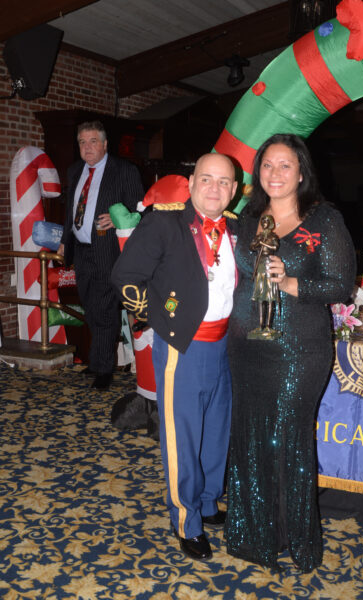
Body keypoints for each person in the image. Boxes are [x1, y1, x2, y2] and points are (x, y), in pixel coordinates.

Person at [225, 133, 356, 572]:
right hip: (245, 346)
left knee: (285, 437)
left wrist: (291, 283)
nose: (274, 174)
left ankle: (293, 538)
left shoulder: (323, 220)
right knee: (250, 437)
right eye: (267, 165)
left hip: (299, 348)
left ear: (301, 172)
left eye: (285, 165)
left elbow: (341, 286)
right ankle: (254, 536)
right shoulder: (246, 218)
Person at [111, 153, 238, 561]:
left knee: (216, 430)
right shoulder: (165, 221)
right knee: (181, 436)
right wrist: (164, 320)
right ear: (192, 181)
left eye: (223, 181)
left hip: (225, 345)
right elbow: (126, 276)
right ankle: (186, 520)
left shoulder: (239, 228)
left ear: (234, 190)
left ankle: (205, 500)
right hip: (183, 347)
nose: (214, 188)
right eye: (206, 179)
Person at [57, 121, 144, 390]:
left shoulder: (124, 171)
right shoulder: (74, 171)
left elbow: (141, 208)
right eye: (82, 142)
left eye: (93, 141)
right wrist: (64, 242)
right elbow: (70, 211)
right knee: (90, 307)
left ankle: (104, 370)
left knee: (105, 309)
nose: (87, 147)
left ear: (105, 144)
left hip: (109, 251)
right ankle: (97, 362)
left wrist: (119, 220)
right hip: (81, 251)